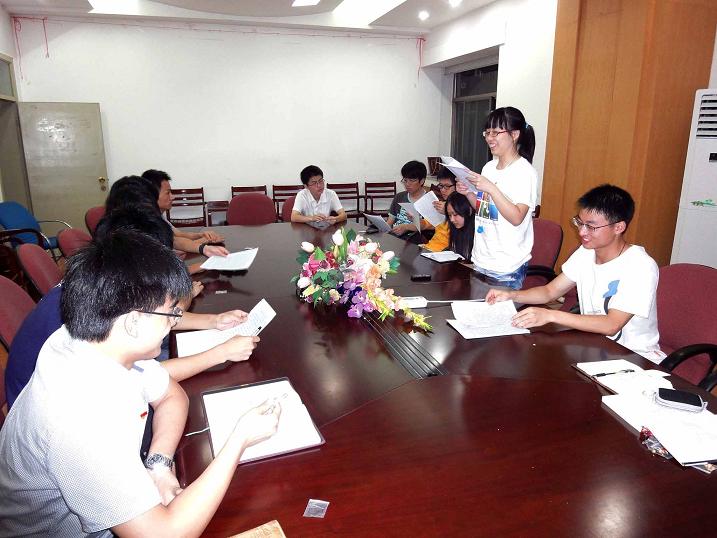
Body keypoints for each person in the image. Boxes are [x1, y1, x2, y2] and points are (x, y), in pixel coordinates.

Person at [0, 229, 281, 537]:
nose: (173, 323)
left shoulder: (92, 338)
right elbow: (164, 534)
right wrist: (239, 440)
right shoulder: (79, 417)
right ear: (133, 321)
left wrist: (159, 465)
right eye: (170, 314)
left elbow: (171, 395)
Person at [5, 205, 260, 409]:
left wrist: (213, 321)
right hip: (71, 411)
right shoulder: (91, 313)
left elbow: (155, 314)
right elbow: (141, 378)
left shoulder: (104, 283)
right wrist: (220, 353)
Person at [486, 184, 664, 363]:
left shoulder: (640, 266)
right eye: (580, 222)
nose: (581, 232)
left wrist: (550, 315)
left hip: (634, 359)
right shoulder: (586, 252)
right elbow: (549, 291)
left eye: (591, 227)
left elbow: (611, 325)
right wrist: (512, 295)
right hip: (594, 347)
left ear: (618, 227)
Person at [455, 106, 538, 289]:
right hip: (482, 258)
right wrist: (468, 193)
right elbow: (484, 210)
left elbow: (517, 217)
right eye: (487, 133)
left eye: (495, 133)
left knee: (498, 309)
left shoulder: (525, 172)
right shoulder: (489, 168)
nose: (489, 138)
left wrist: (491, 188)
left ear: (514, 134)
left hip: (506, 266)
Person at [141, 169, 229, 271]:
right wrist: (205, 242)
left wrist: (201, 235)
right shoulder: (145, 223)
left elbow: (178, 237)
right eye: (168, 193)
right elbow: (173, 253)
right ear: (151, 196)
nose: (172, 197)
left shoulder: (158, 217)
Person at [387, 160, 430, 240]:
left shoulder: (429, 201)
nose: (407, 184)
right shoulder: (399, 197)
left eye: (412, 180)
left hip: (414, 240)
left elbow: (429, 226)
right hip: (394, 237)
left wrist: (406, 227)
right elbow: (390, 222)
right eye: (405, 180)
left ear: (422, 181)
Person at [422, 167, 457, 252]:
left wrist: (448, 212)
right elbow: (426, 224)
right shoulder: (441, 204)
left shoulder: (463, 208)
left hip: (444, 253)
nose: (443, 190)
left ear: (458, 186)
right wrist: (415, 219)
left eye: (447, 186)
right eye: (441, 186)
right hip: (429, 248)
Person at [445, 191, 476, 261]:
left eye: (455, 214)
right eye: (449, 215)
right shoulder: (456, 228)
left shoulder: (477, 233)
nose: (452, 219)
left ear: (469, 210)